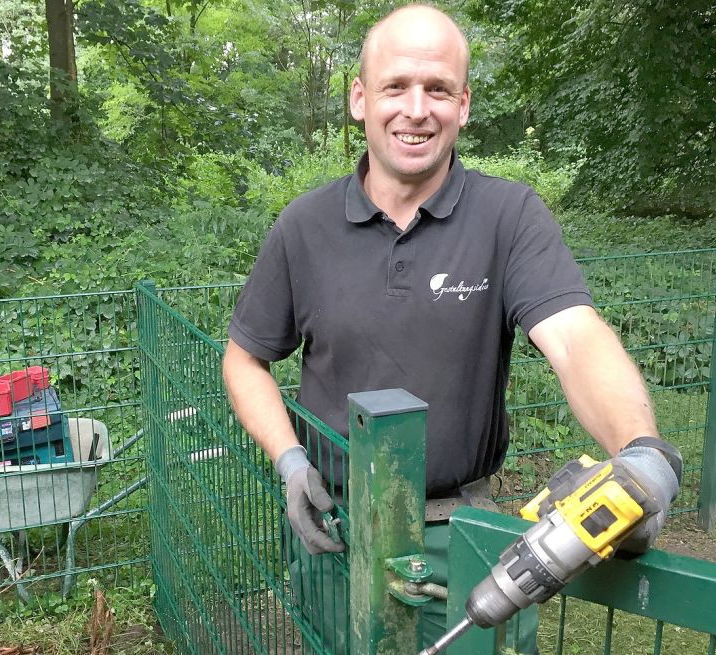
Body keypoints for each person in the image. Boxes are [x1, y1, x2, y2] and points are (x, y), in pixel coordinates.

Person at [222, 4, 682, 653]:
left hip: (459, 536)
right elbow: (244, 358)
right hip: (334, 534)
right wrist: (290, 460)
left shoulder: (508, 216)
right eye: (395, 87)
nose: (416, 108)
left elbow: (574, 336)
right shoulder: (303, 227)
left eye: (437, 89)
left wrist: (638, 452)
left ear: (462, 104)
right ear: (359, 98)